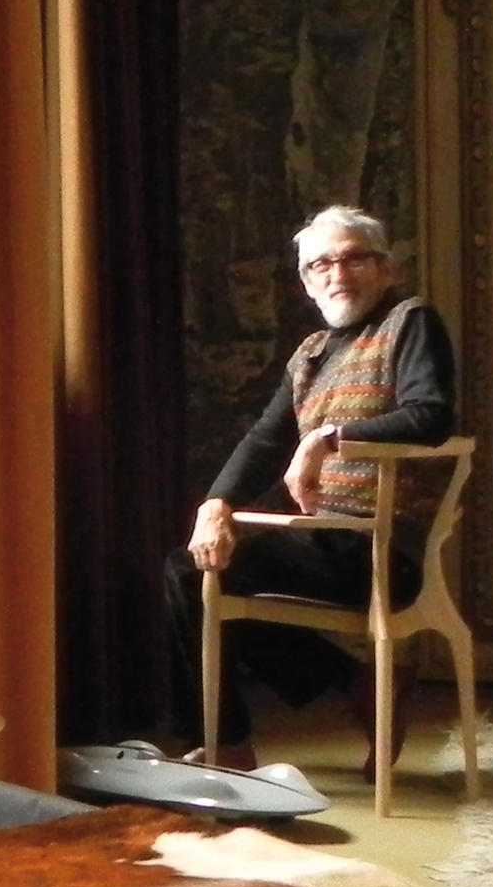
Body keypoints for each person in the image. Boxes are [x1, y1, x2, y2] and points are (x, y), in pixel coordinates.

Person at [168, 205, 456, 771]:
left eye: (354, 259)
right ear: (305, 281)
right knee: (199, 567)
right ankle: (352, 683)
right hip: (319, 540)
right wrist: (215, 505)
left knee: (193, 577)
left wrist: (326, 438)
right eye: (321, 264)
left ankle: (234, 741)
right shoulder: (310, 353)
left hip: (382, 547)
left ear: (387, 269)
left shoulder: (411, 321)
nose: (337, 275)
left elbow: (431, 414)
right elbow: (263, 440)